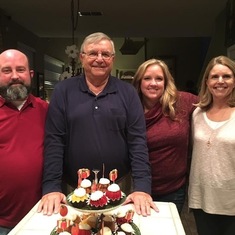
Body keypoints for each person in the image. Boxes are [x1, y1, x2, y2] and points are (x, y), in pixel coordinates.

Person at [37, 32, 158, 217]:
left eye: (105, 54)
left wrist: (142, 187)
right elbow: (54, 141)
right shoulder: (63, 91)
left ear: (113, 59)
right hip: (72, 185)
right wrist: (51, 187)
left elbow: (138, 142)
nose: (99, 59)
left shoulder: (128, 93)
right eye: (93, 53)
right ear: (82, 57)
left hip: (119, 185)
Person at [132, 58, 198, 213]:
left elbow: (214, 104)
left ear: (166, 82)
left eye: (159, 79)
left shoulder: (183, 101)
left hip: (173, 190)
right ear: (139, 82)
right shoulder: (129, 108)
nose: (153, 83)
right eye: (147, 78)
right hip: (136, 189)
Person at [0, 49, 48, 235]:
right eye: (6, 70)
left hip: (42, 214)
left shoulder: (46, 111)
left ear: (30, 75)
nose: (14, 76)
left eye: (20, 70)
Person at [188, 55, 235, 235]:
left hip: (231, 202)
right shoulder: (197, 113)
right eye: (214, 77)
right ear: (207, 82)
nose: (220, 81)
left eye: (227, 76)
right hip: (202, 198)